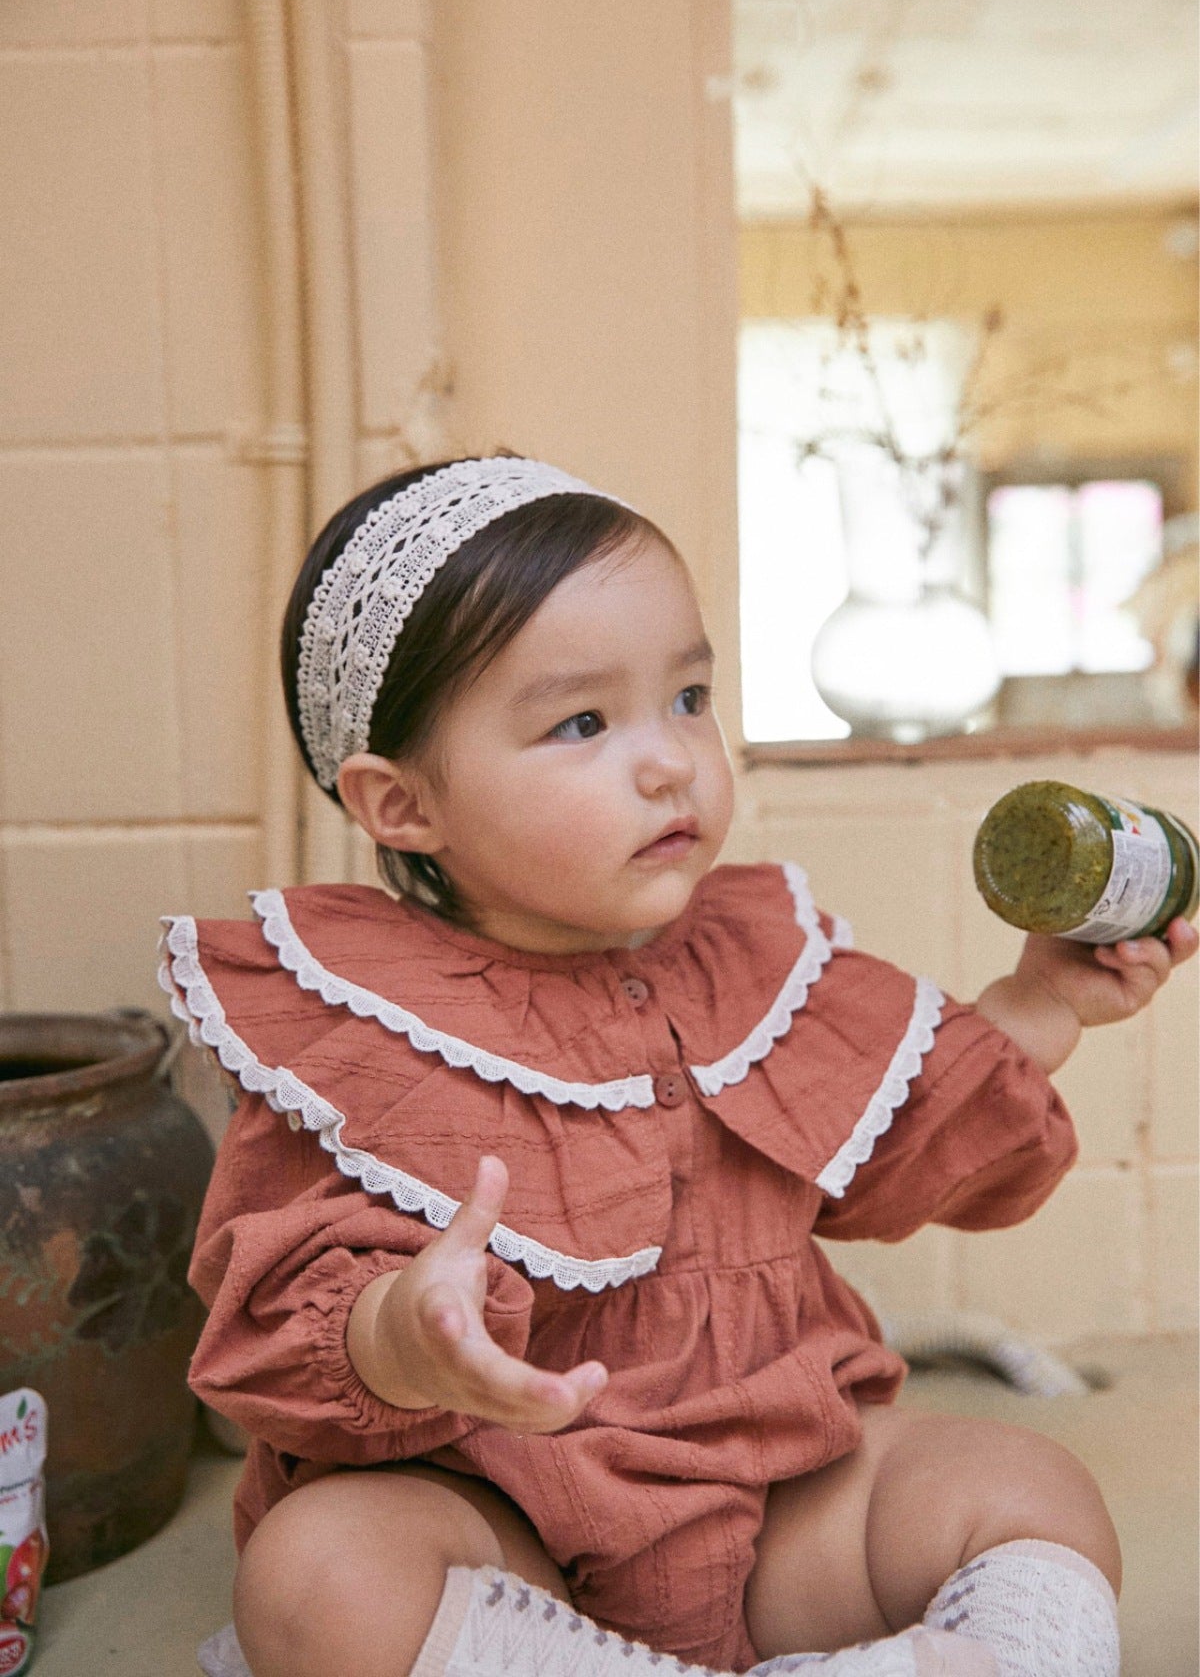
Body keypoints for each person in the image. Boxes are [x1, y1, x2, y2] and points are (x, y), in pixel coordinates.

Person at [164, 455, 1196, 1677]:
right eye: (584, 723)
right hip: (505, 1521)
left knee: (1030, 1484)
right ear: (402, 806)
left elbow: (895, 1146)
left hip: (782, 1497)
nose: (670, 761)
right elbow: (278, 1313)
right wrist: (405, 1330)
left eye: (691, 697)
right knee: (315, 1576)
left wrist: (1040, 1005)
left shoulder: (756, 963)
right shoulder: (357, 1024)